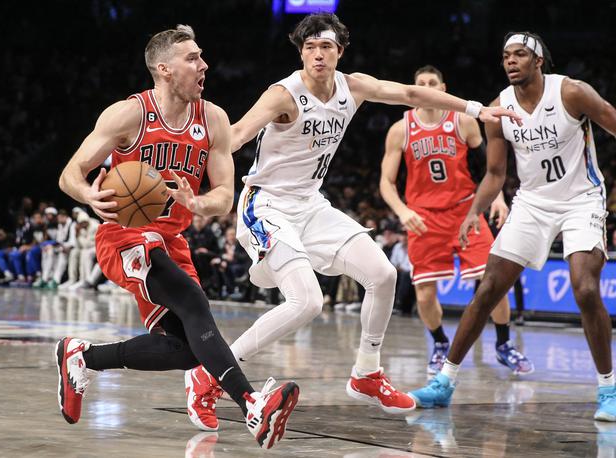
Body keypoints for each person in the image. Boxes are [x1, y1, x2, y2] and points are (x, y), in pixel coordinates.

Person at [184, 13, 521, 431]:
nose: (317, 54)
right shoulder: (282, 94)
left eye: (325, 46)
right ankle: (210, 374)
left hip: (311, 205)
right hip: (267, 204)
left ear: (340, 51)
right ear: (302, 53)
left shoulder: (353, 86)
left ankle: (366, 372)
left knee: (382, 274)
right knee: (307, 302)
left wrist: (475, 109)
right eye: (309, 47)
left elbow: (411, 93)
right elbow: (233, 139)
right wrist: (193, 174)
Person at [55, 25, 299, 449]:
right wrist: (89, 195)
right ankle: (252, 404)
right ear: (164, 69)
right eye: (193, 58)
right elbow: (69, 174)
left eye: (202, 56)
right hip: (124, 235)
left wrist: (198, 204)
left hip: (172, 242)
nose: (204, 65)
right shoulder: (128, 115)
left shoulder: (215, 119)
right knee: (193, 301)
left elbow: (224, 196)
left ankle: (82, 355)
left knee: (186, 349)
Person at [408, 32, 616, 422]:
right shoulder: (497, 108)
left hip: (581, 198)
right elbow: (495, 174)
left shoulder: (572, 93)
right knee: (487, 289)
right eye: (506, 56)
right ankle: (444, 383)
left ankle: (608, 388)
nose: (511, 61)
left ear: (539, 61)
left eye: (520, 54)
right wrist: (473, 212)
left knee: (586, 288)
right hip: (532, 202)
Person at [380, 65, 533, 376]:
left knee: (494, 282)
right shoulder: (401, 129)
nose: (426, 87)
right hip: (423, 217)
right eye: (420, 83)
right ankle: (439, 343)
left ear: (443, 87)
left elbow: (488, 170)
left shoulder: (463, 121)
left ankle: (504, 344)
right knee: (424, 292)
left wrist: (499, 198)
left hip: (466, 212)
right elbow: (386, 181)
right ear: (414, 90)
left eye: (432, 83)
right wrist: (402, 211)